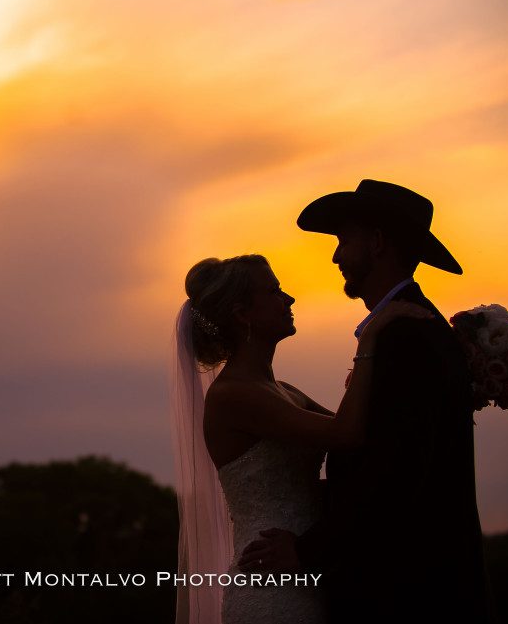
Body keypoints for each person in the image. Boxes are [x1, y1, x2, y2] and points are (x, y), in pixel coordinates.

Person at [236, 180, 490, 624]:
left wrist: (308, 550)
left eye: (343, 240)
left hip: (405, 591)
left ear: (376, 243)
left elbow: (395, 470)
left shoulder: (406, 335)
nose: (335, 256)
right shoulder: (405, 328)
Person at [170, 253, 430, 624]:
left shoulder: (283, 391)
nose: (288, 299)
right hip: (270, 586)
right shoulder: (234, 395)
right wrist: (370, 338)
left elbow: (371, 431)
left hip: (308, 571)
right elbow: (345, 432)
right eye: (275, 290)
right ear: (243, 313)